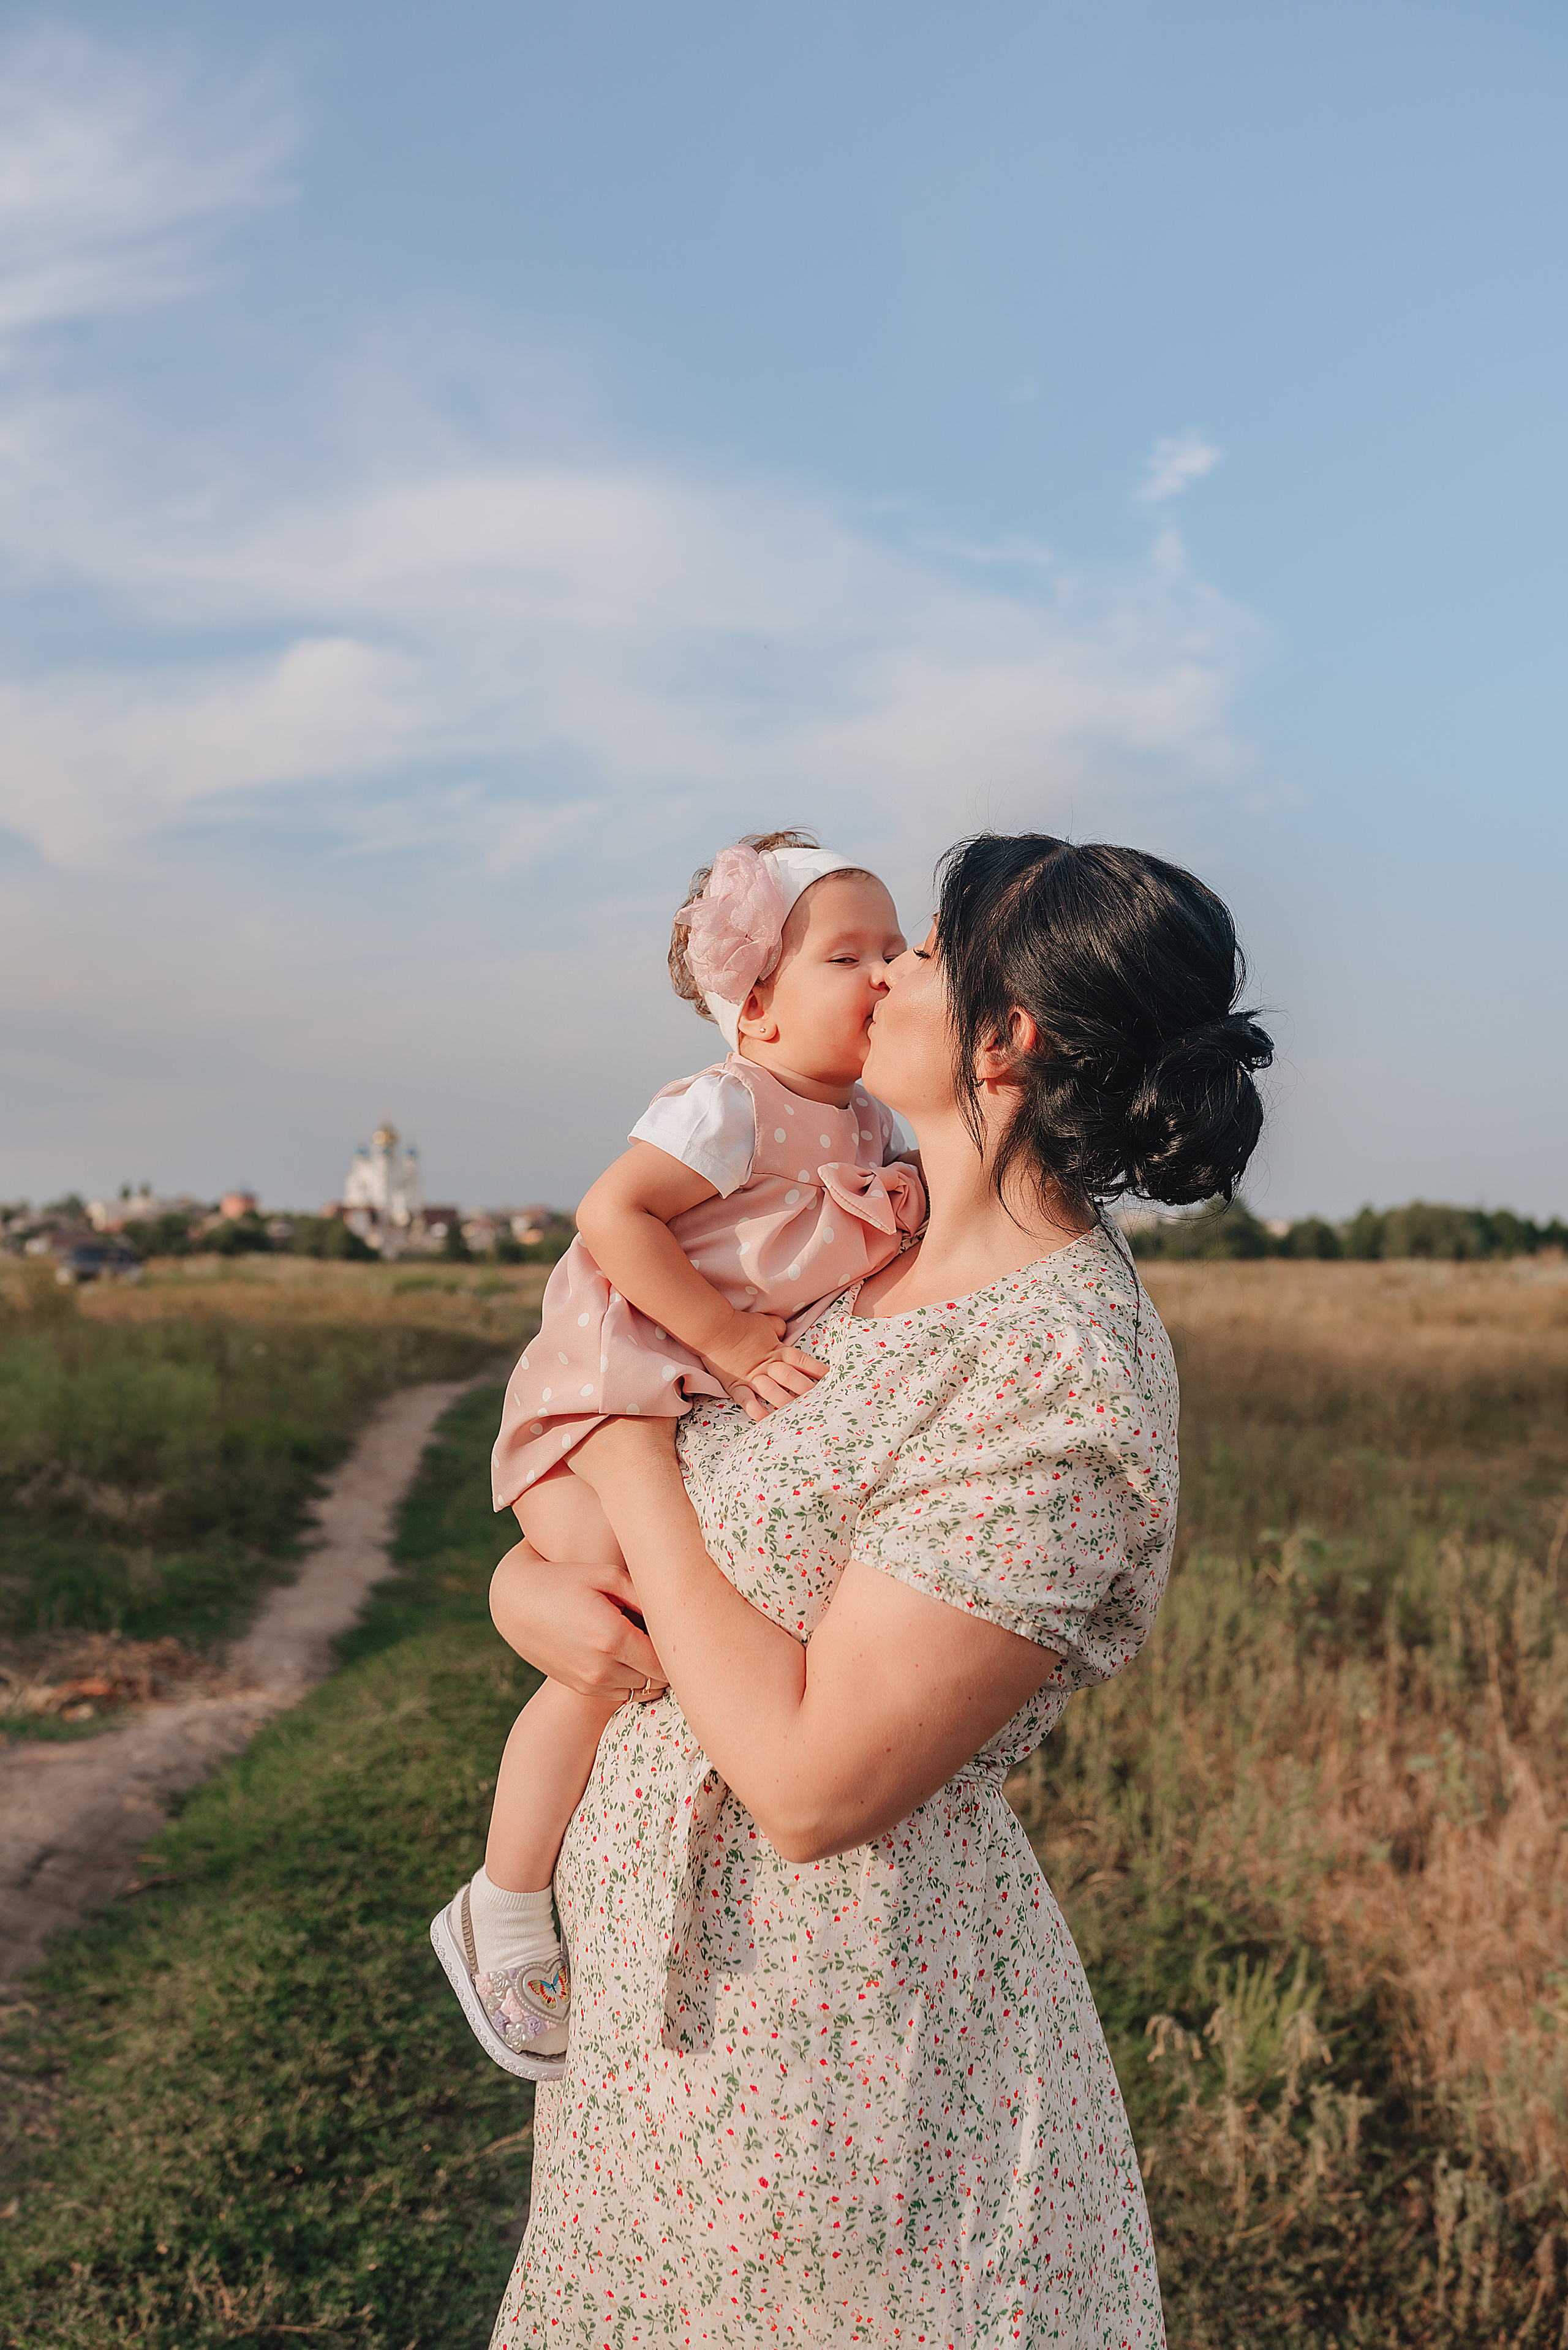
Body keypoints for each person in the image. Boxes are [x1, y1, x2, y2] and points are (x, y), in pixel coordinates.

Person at [485, 832, 1273, 2347]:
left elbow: (807, 1784)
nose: (885, 973)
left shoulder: (1056, 1373)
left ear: (1003, 1037)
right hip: (665, 2044)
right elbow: (712, 1549)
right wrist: (534, 1595)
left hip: (845, 2071)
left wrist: (631, 1466)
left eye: (918, 951)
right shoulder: (851, 1259)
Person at [431, 832, 925, 2074]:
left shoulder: (873, 1122)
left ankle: (555, 1880)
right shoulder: (728, 1102)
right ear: (753, 1002)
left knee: (647, 1636)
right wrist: (727, 1335)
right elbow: (612, 1216)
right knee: (616, 1617)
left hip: (687, 1400)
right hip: (611, 1386)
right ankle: (500, 1899)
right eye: (845, 955)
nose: (883, 972)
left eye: (894, 947)